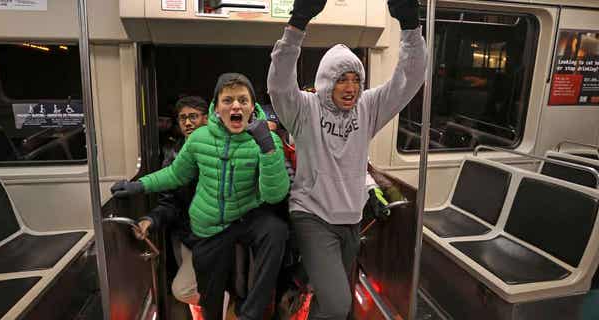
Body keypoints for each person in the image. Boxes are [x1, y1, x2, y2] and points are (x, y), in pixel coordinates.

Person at [266, 0, 427, 318]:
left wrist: (410, 26)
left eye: (355, 79)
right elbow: (279, 82)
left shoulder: (368, 107)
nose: (350, 87)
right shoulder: (304, 109)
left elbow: (409, 78)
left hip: (351, 220)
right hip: (312, 217)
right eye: (341, 79)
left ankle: (301, 294)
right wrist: (297, 24)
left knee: (332, 302)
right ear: (326, 81)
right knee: (339, 306)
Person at [112, 72, 290, 320]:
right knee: (210, 295)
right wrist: (139, 186)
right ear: (216, 108)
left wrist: (267, 148)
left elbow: (275, 194)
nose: (236, 105)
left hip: (246, 215)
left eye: (243, 100)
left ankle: (251, 313)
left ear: (252, 106)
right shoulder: (198, 139)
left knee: (276, 230)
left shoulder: (267, 140)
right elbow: (175, 175)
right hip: (211, 223)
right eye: (228, 100)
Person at [132, 96, 208, 316]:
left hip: (215, 235)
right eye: (183, 118)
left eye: (193, 116)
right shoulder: (174, 154)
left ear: (207, 118)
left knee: (186, 289)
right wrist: (151, 219)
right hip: (185, 233)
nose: (187, 122)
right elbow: (170, 201)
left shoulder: (222, 147)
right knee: (191, 293)